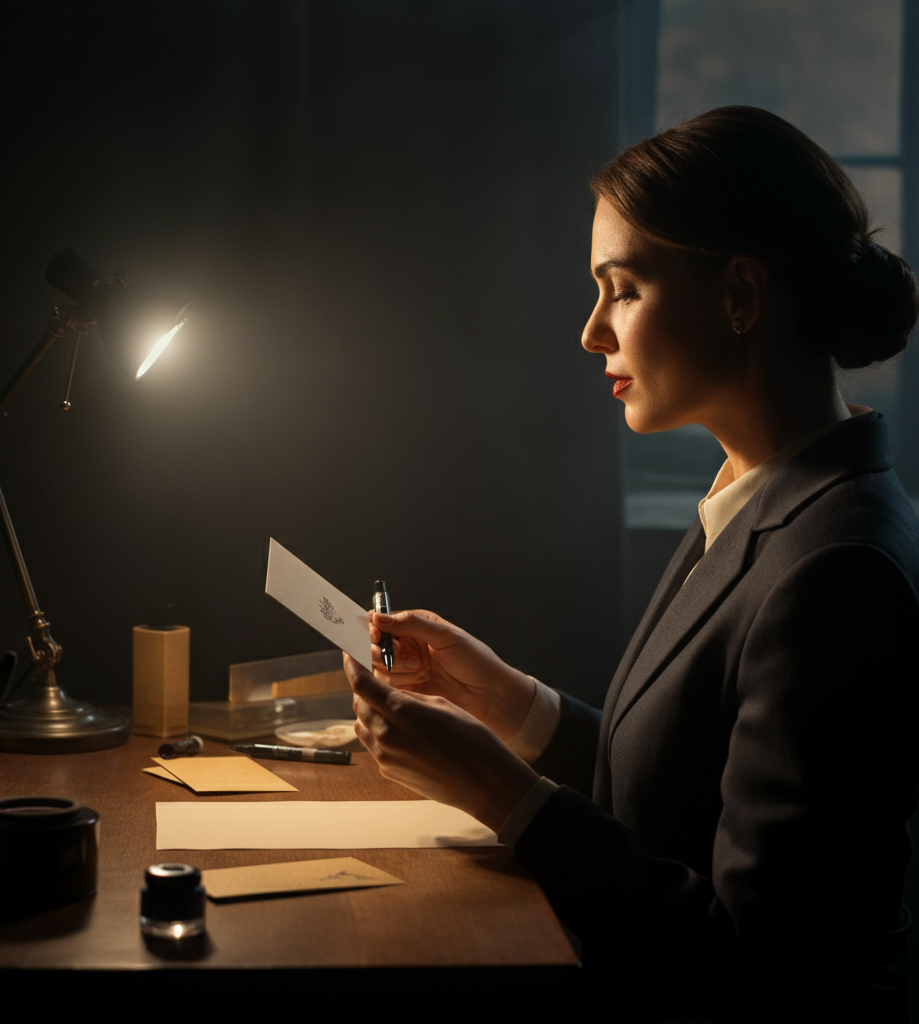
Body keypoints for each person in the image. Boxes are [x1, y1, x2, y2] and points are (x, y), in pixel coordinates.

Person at [343, 106, 919, 1022]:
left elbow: (754, 962)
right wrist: (502, 700)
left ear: (740, 296)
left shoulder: (838, 568)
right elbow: (683, 791)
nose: (591, 333)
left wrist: (501, 791)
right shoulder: (762, 493)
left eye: (622, 289)